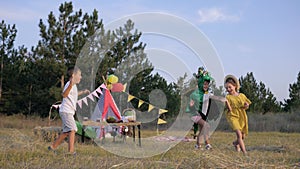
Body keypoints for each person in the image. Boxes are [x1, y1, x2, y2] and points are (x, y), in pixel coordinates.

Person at [48, 66, 89, 155]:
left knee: (67, 132)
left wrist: (83, 92)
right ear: (73, 75)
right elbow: (65, 94)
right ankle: (71, 152)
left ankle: (52, 147)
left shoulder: (73, 86)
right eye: (79, 75)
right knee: (73, 129)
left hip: (68, 111)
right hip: (66, 111)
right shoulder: (70, 84)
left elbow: (73, 95)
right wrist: (70, 85)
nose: (81, 77)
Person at [186, 68, 213, 150]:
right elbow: (190, 105)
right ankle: (207, 144)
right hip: (194, 114)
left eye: (207, 84)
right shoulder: (195, 94)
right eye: (204, 84)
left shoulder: (207, 94)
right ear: (201, 84)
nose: (206, 86)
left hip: (202, 115)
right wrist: (191, 105)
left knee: (202, 129)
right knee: (206, 126)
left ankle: (197, 145)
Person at [224, 75, 251, 155]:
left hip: (241, 116)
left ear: (235, 86)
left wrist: (246, 105)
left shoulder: (242, 96)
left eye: (230, 87)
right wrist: (226, 103)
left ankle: (236, 143)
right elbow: (229, 109)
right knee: (239, 134)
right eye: (226, 88)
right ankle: (245, 153)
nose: (228, 89)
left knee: (242, 136)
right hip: (232, 116)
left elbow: (246, 105)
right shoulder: (228, 97)